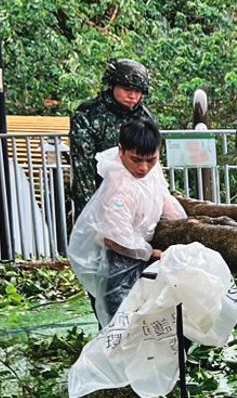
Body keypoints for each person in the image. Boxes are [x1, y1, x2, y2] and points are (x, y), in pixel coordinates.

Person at [67, 114, 186, 325]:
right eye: (136, 160)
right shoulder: (118, 187)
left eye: (151, 160)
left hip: (144, 249)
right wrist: (151, 253)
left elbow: (162, 196)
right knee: (122, 321)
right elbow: (115, 239)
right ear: (121, 151)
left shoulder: (152, 170)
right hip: (118, 261)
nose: (143, 168)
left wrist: (182, 225)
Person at [69, 59, 155, 213]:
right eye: (127, 88)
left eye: (138, 91)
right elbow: (83, 169)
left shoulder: (144, 116)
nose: (132, 96)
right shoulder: (89, 115)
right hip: (102, 194)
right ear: (113, 85)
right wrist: (90, 211)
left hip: (137, 197)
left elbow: (152, 163)